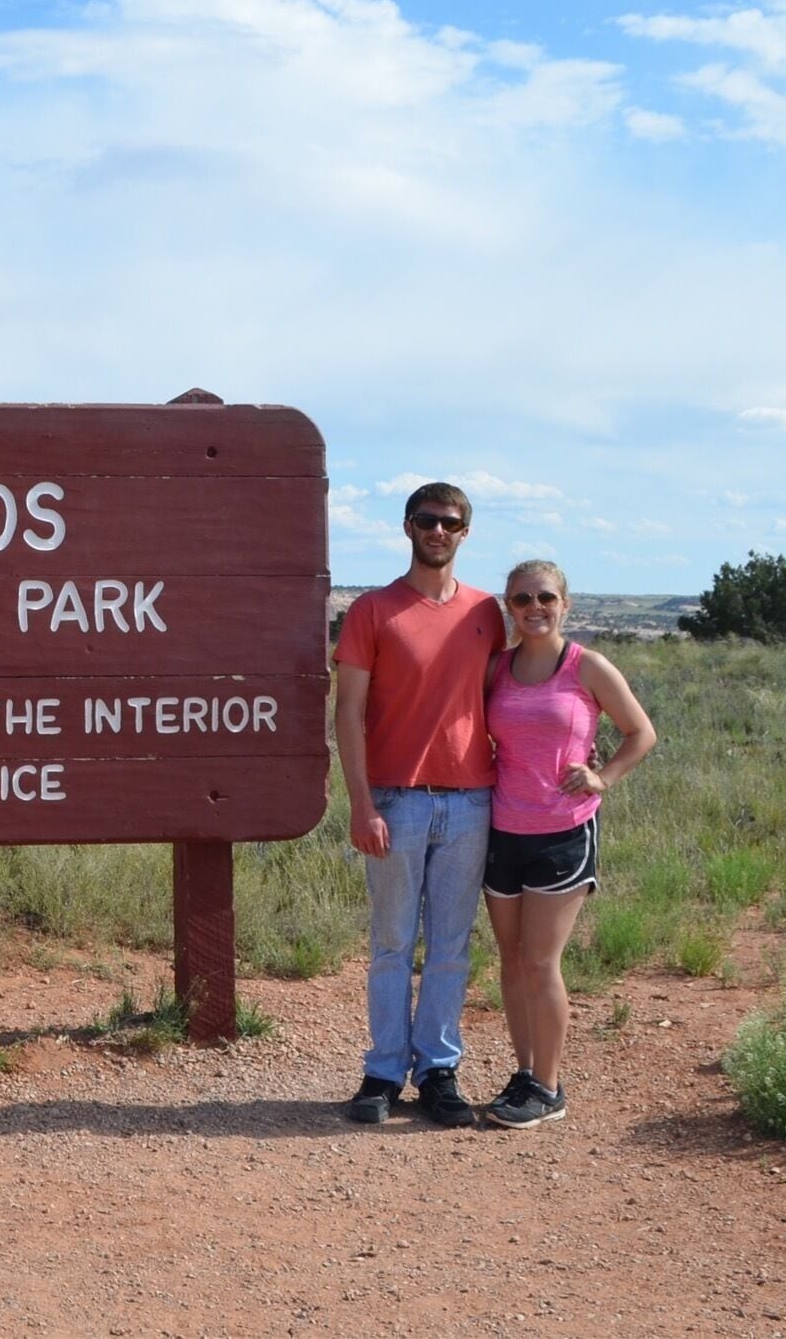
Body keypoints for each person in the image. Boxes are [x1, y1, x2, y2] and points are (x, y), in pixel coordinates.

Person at [334, 482, 507, 1126]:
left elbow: (504, 701)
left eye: (451, 522)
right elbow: (347, 711)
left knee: (451, 947)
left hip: (469, 803)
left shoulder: (487, 613)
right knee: (390, 943)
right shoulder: (373, 611)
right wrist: (360, 803)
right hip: (395, 801)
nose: (439, 531)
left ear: (466, 532)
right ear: (407, 527)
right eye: (428, 521)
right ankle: (382, 1072)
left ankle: (437, 1070)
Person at [480, 559, 657, 1128]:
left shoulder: (587, 667)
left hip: (563, 830)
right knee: (510, 961)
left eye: (546, 598)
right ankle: (525, 1073)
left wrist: (604, 777)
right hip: (503, 829)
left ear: (565, 605)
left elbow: (640, 732)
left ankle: (549, 1088)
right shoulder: (498, 670)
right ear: (508, 606)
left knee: (540, 962)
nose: (535, 608)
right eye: (522, 599)